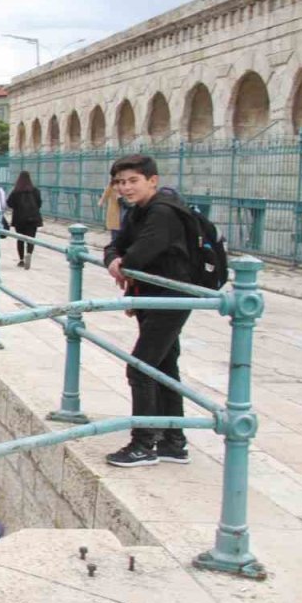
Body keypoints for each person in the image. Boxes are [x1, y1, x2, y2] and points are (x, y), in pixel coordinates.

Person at [103, 154, 193, 468]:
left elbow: (138, 255)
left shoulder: (162, 213)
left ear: (152, 180)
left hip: (171, 298)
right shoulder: (139, 212)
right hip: (152, 298)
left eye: (132, 181)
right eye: (120, 182)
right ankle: (174, 441)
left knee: (140, 368)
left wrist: (122, 263)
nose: (125, 188)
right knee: (165, 367)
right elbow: (115, 246)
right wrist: (116, 260)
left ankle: (143, 443)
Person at [7, 171, 43, 269]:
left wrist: (17, 207)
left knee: (20, 239)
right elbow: (39, 204)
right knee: (31, 239)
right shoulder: (35, 191)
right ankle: (29, 255)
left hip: (19, 219)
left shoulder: (16, 191)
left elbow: (9, 203)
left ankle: (21, 260)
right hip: (33, 219)